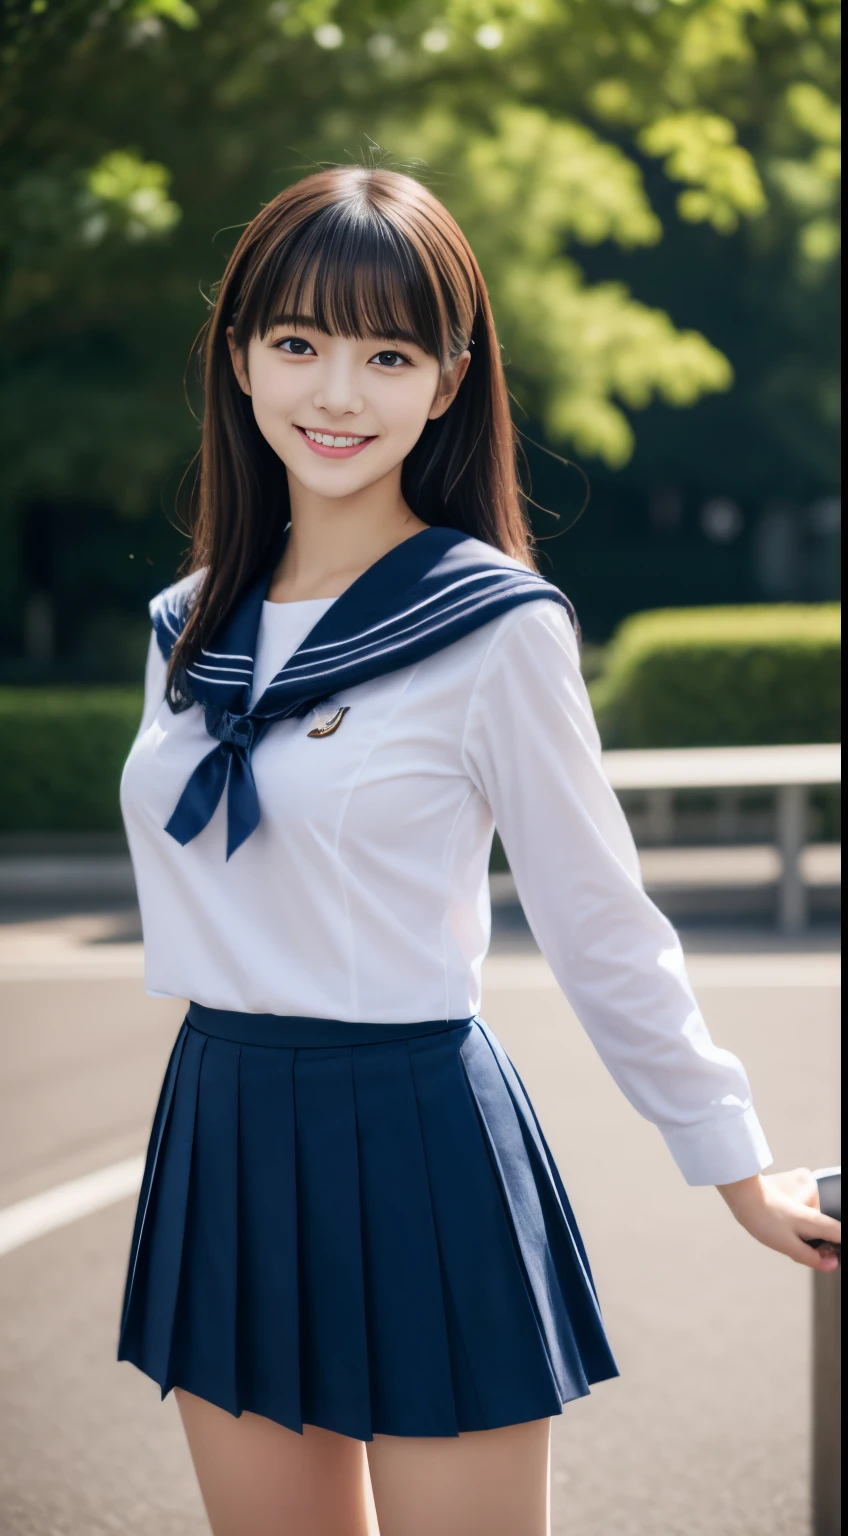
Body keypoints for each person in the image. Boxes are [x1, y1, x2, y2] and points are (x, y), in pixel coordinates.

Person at [117, 167, 840, 1536]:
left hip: (414, 1127)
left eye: (387, 354)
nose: (338, 393)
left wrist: (734, 1162)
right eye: (299, 344)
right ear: (241, 357)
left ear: (447, 385)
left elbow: (596, 917)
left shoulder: (496, 628)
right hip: (219, 1119)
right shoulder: (179, 631)